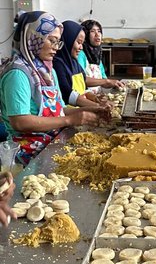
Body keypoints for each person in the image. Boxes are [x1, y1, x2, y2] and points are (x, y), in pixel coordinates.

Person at [0, 12, 99, 164]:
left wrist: (90, 110)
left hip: (51, 144)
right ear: (34, 38)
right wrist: (69, 120)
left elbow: (59, 109)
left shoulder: (48, 71)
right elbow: (20, 121)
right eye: (52, 41)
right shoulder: (17, 74)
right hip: (27, 154)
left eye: (58, 43)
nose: (56, 48)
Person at [53, 21, 112, 116]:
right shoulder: (58, 64)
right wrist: (97, 106)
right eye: (79, 43)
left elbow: (83, 87)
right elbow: (68, 94)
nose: (81, 47)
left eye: (82, 43)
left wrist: (94, 97)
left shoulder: (74, 62)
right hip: (71, 114)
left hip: (81, 109)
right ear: (68, 40)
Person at [79, 19, 124, 91]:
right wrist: (107, 81)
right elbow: (80, 79)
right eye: (92, 31)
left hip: (97, 97)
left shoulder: (96, 55)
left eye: (99, 31)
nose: (97, 34)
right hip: (84, 98)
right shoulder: (80, 54)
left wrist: (114, 84)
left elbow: (103, 80)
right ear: (85, 35)